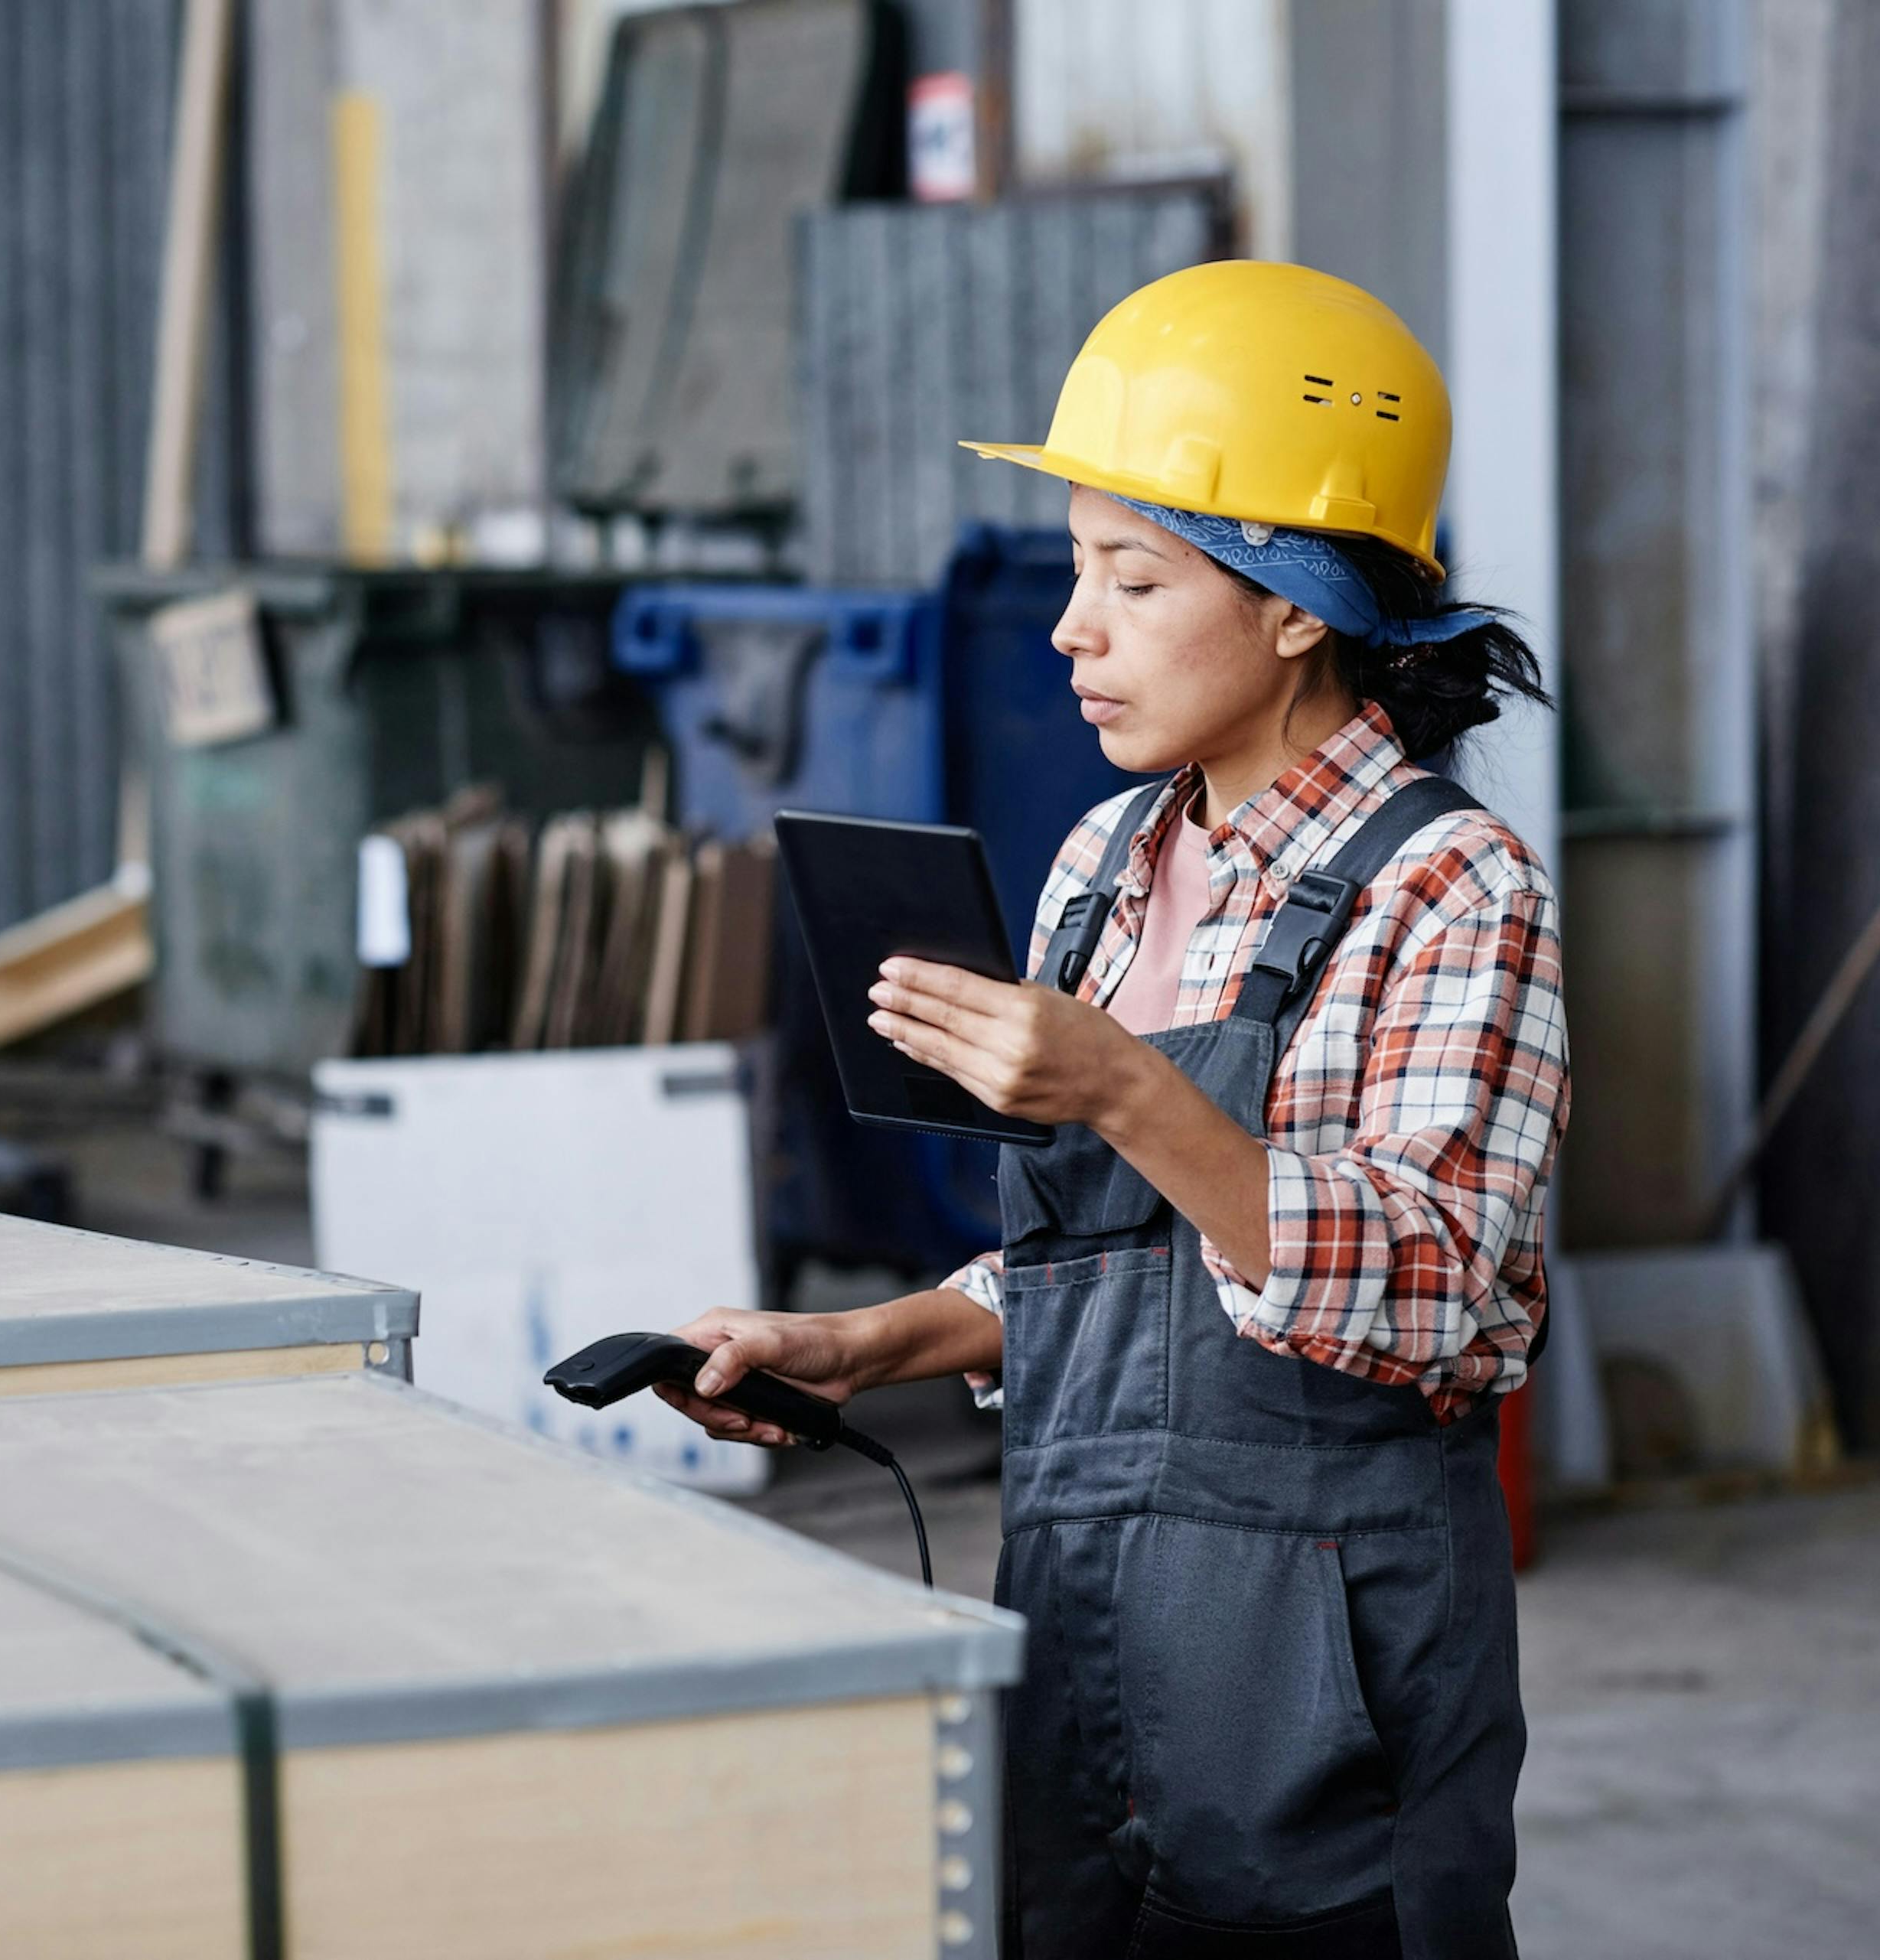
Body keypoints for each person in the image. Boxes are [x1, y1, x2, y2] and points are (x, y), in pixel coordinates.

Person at [654, 261, 1569, 1958]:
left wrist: (1132, 1089)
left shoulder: (1448, 885)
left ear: (1299, 604)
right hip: (1081, 1638)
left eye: (1132, 577)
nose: (1073, 626)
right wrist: (868, 1345)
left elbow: (1452, 1294)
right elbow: (1100, 1277)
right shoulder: (1100, 863)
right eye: (1077, 567)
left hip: (1329, 1687)